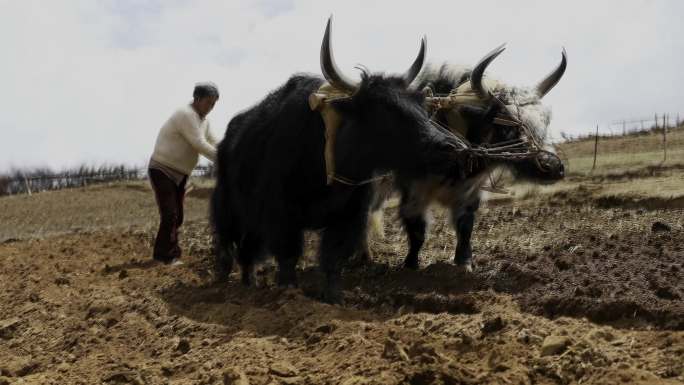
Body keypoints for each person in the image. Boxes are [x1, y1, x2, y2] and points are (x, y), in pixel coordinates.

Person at [148, 82, 220, 265]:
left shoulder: (204, 121)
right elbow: (199, 143)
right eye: (208, 103)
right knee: (170, 214)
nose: (211, 108)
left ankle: (161, 254)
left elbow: (213, 140)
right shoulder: (186, 115)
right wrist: (224, 159)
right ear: (197, 99)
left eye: (214, 104)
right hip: (162, 169)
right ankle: (168, 256)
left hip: (180, 174)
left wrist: (230, 150)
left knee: (176, 216)